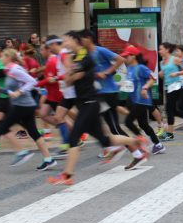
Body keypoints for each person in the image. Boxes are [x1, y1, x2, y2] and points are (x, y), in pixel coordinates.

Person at [47, 31, 146, 185]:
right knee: (105, 140)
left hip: (90, 103)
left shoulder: (86, 58)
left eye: (66, 40)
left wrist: (71, 72)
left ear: (75, 40)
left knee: (74, 138)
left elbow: (71, 78)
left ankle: (67, 174)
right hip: (85, 103)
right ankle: (136, 141)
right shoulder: (75, 58)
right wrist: (70, 72)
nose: (64, 44)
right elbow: (68, 80)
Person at [0, 48, 56, 170]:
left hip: (23, 105)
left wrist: (20, 92)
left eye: (3, 56)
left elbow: (31, 82)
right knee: (33, 132)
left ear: (9, 57)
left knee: (2, 127)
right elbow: (12, 90)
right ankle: (49, 159)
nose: (1, 58)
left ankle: (21, 152)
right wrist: (0, 89)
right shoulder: (9, 70)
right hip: (25, 105)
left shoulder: (15, 69)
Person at [79, 30, 128, 139]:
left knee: (114, 128)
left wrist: (107, 72)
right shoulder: (85, 55)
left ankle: (135, 146)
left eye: (81, 39)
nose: (80, 42)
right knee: (106, 125)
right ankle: (111, 145)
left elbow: (120, 59)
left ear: (88, 38)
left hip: (108, 93)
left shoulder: (100, 51)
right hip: (98, 93)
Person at [120, 45, 161, 167]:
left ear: (133, 56)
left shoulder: (141, 67)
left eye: (127, 56)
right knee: (143, 124)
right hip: (134, 100)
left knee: (127, 122)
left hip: (142, 100)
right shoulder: (130, 68)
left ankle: (141, 142)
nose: (125, 58)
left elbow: (152, 78)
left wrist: (145, 87)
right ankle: (158, 144)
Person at [158, 43, 183, 141]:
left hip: (177, 87)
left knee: (169, 110)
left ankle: (170, 134)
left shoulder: (174, 59)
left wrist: (177, 73)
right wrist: (161, 74)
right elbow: (164, 75)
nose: (159, 51)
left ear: (167, 50)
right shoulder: (161, 62)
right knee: (174, 111)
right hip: (168, 88)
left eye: (161, 49)